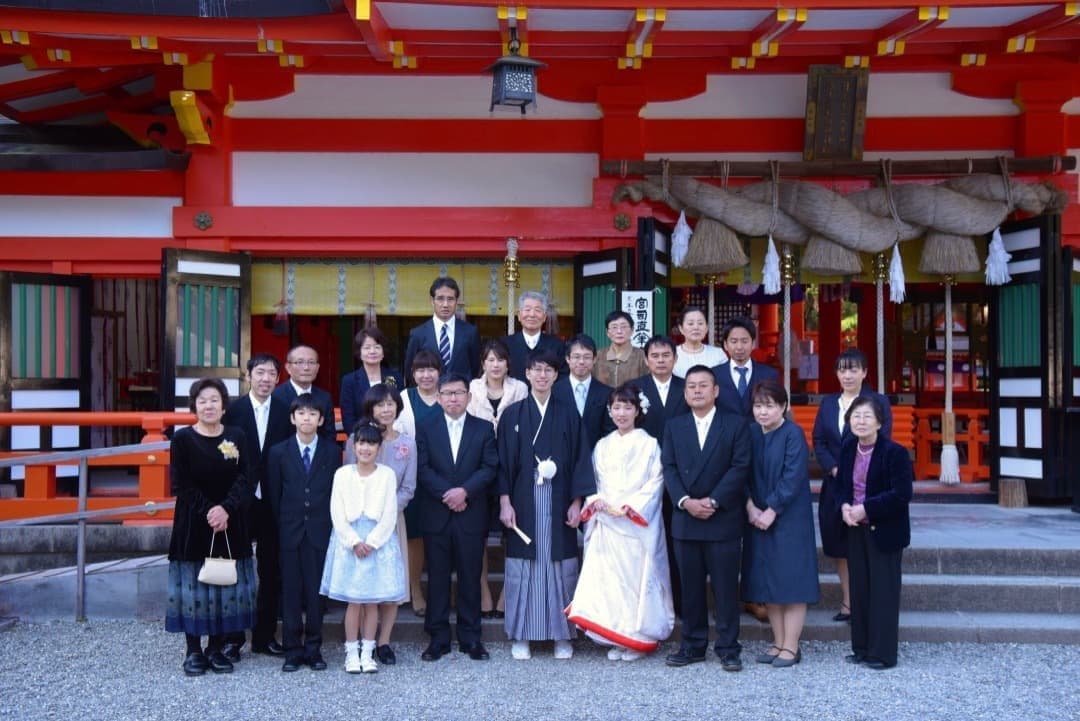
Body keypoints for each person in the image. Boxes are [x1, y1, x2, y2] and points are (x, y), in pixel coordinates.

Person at [497, 349, 595, 660]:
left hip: (559, 498)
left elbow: (580, 458)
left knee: (559, 566)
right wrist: (504, 502)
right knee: (523, 567)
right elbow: (501, 464)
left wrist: (577, 501)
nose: (542, 375)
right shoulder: (512, 415)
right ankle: (521, 635)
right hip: (523, 501)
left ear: (556, 375)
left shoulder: (567, 413)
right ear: (526, 374)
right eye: (536, 370)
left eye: (548, 370)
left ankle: (562, 635)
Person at [566, 383, 674, 661]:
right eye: (617, 407)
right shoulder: (603, 445)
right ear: (610, 411)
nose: (622, 413)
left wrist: (631, 507)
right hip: (608, 523)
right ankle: (616, 635)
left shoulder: (649, 444)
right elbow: (595, 480)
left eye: (628, 407)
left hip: (635, 521)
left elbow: (655, 482)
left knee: (635, 579)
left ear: (638, 411)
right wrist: (597, 499)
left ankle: (638, 636)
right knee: (612, 582)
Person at [661, 365, 750, 671]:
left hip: (721, 517)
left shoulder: (736, 424)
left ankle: (728, 647)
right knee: (690, 588)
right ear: (684, 394)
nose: (697, 391)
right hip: (686, 519)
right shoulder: (674, 426)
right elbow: (669, 468)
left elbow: (740, 467)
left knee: (725, 588)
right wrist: (685, 501)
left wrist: (713, 500)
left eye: (703, 386)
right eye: (691, 387)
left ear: (716, 391)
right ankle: (693, 644)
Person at [166, 378, 256, 677]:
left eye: (214, 400)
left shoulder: (236, 436)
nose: (208, 406)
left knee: (222, 585)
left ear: (223, 405)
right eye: (202, 400)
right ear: (194, 405)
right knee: (195, 586)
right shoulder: (182, 440)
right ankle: (193, 650)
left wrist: (226, 508)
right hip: (194, 522)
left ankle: (216, 648)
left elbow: (245, 477)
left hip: (230, 522)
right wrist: (210, 511)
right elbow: (181, 484)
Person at [415, 373, 499, 662]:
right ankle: (437, 638)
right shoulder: (425, 427)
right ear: (439, 398)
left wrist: (465, 491)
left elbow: (489, 467)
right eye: (447, 393)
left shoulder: (484, 428)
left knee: (469, 576)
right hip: (437, 512)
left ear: (469, 396)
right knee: (437, 577)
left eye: (458, 393)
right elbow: (422, 468)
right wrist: (448, 494)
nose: (453, 398)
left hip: (471, 512)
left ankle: (470, 637)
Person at [741, 381, 820, 668]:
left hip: (788, 518)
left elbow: (793, 476)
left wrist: (772, 509)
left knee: (792, 582)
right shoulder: (749, 433)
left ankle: (792, 645)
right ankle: (777, 642)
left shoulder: (793, 434)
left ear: (783, 407)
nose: (763, 412)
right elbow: (742, 472)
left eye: (770, 406)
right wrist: (749, 506)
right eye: (758, 406)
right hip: (756, 516)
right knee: (769, 583)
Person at [813, 347, 894, 624]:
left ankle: (867, 602)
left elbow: (884, 440)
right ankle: (848, 602)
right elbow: (819, 442)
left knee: (866, 545)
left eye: (853, 369)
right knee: (838, 547)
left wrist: (852, 471)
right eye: (842, 369)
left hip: (867, 488)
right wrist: (835, 468)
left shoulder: (877, 401)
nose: (847, 375)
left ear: (865, 372)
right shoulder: (828, 403)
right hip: (835, 486)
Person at [319, 419, 406, 674]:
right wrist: (354, 541)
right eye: (361, 443)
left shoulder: (387, 475)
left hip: (378, 542)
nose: (365, 448)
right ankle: (351, 653)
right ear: (353, 447)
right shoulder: (342, 474)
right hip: (350, 542)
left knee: (372, 601)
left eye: (371, 444)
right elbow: (337, 511)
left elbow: (390, 512)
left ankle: (368, 652)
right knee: (354, 600)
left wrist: (373, 542)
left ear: (379, 448)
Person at [220, 353, 292, 659]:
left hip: (273, 501)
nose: (265, 379)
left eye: (271, 374)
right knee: (235, 567)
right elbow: (222, 452)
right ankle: (232, 638)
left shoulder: (286, 410)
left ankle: (264, 636)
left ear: (278, 378)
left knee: (271, 569)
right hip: (239, 500)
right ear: (248, 375)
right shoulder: (233, 411)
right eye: (260, 372)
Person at [836, 395, 913, 670]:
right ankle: (861, 648)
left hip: (885, 530)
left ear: (880, 422)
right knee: (860, 590)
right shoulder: (847, 449)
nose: (861, 421)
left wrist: (865, 509)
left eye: (867, 416)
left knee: (883, 592)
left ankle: (882, 654)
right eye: (856, 416)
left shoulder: (895, 453)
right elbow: (842, 486)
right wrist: (845, 506)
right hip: (855, 528)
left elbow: (902, 494)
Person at [264, 394, 338, 672]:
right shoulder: (278, 452)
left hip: (319, 529)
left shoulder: (332, 451)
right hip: (289, 530)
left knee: (316, 593)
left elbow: (334, 492)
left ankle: (314, 648)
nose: (307, 418)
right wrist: (281, 525)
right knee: (291, 591)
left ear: (321, 420)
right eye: (301, 414)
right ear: (292, 418)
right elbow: (274, 493)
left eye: (313, 414)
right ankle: (292, 649)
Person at [465, 337, 529, 618]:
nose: (495, 365)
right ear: (483, 364)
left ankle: (506, 594)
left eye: (500, 359)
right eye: (490, 360)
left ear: (508, 364)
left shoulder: (520, 389)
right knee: (476, 535)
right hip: (477, 469)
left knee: (509, 534)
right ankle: (482, 593)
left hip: (513, 469)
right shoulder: (471, 389)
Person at [360, 383, 416, 666]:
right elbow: (350, 476)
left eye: (390, 403)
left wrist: (389, 513)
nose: (385, 409)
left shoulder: (407, 444)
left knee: (391, 581)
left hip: (394, 521)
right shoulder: (357, 440)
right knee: (364, 581)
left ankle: (384, 642)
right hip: (361, 521)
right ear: (371, 408)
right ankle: (364, 640)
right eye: (380, 404)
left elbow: (408, 487)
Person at [393, 348, 444, 616]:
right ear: (413, 374)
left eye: (431, 369)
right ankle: (415, 589)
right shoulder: (404, 398)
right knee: (415, 536)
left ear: (439, 372)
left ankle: (439, 590)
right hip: (413, 477)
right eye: (420, 370)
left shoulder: (449, 395)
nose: (426, 375)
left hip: (444, 476)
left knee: (437, 534)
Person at [403, 276, 481, 382]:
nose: (445, 304)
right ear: (432, 301)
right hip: (429, 395)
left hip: (460, 395)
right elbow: (409, 373)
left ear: (457, 301)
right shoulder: (418, 334)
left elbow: (476, 370)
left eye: (450, 299)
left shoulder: (470, 332)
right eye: (440, 299)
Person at [552, 333, 613, 449]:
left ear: (595, 359)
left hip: (595, 459)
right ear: (567, 359)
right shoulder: (553, 391)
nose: (581, 362)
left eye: (587, 357)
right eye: (576, 357)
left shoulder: (607, 393)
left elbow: (609, 432)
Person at [711, 316, 779, 418]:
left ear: (753, 344)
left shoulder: (769, 375)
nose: (739, 347)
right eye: (734, 341)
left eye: (744, 341)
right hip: (725, 433)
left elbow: (775, 410)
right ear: (725, 345)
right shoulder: (714, 375)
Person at [340, 327, 403, 434]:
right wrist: (363, 440)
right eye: (367, 347)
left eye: (377, 347)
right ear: (359, 353)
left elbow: (401, 410)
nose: (372, 351)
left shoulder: (394, 377)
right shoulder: (350, 381)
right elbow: (348, 418)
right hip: (363, 441)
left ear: (383, 352)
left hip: (392, 436)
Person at [273, 344, 337, 444]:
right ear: (288, 367)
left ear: (317, 368)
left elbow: (329, 436)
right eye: (300, 362)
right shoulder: (275, 396)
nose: (306, 367)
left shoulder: (325, 398)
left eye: (311, 362)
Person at [633, 335, 689, 442]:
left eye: (666, 355)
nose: (661, 360)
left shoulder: (687, 386)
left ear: (675, 358)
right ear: (646, 360)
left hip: (680, 450)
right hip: (645, 451)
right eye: (655, 356)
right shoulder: (633, 388)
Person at [503, 290, 566, 384]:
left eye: (537, 310)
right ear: (519, 315)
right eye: (527, 310)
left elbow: (563, 378)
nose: (532, 315)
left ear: (544, 317)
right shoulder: (505, 344)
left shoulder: (557, 346)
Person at [593, 310, 648, 388]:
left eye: (624, 327)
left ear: (632, 330)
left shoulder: (642, 356)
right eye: (614, 327)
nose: (619, 331)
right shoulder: (598, 356)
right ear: (607, 332)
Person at [672, 306, 727, 378]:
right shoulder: (671, 354)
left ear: (706, 328)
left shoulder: (718, 354)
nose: (696, 327)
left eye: (700, 323)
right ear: (681, 328)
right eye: (690, 324)